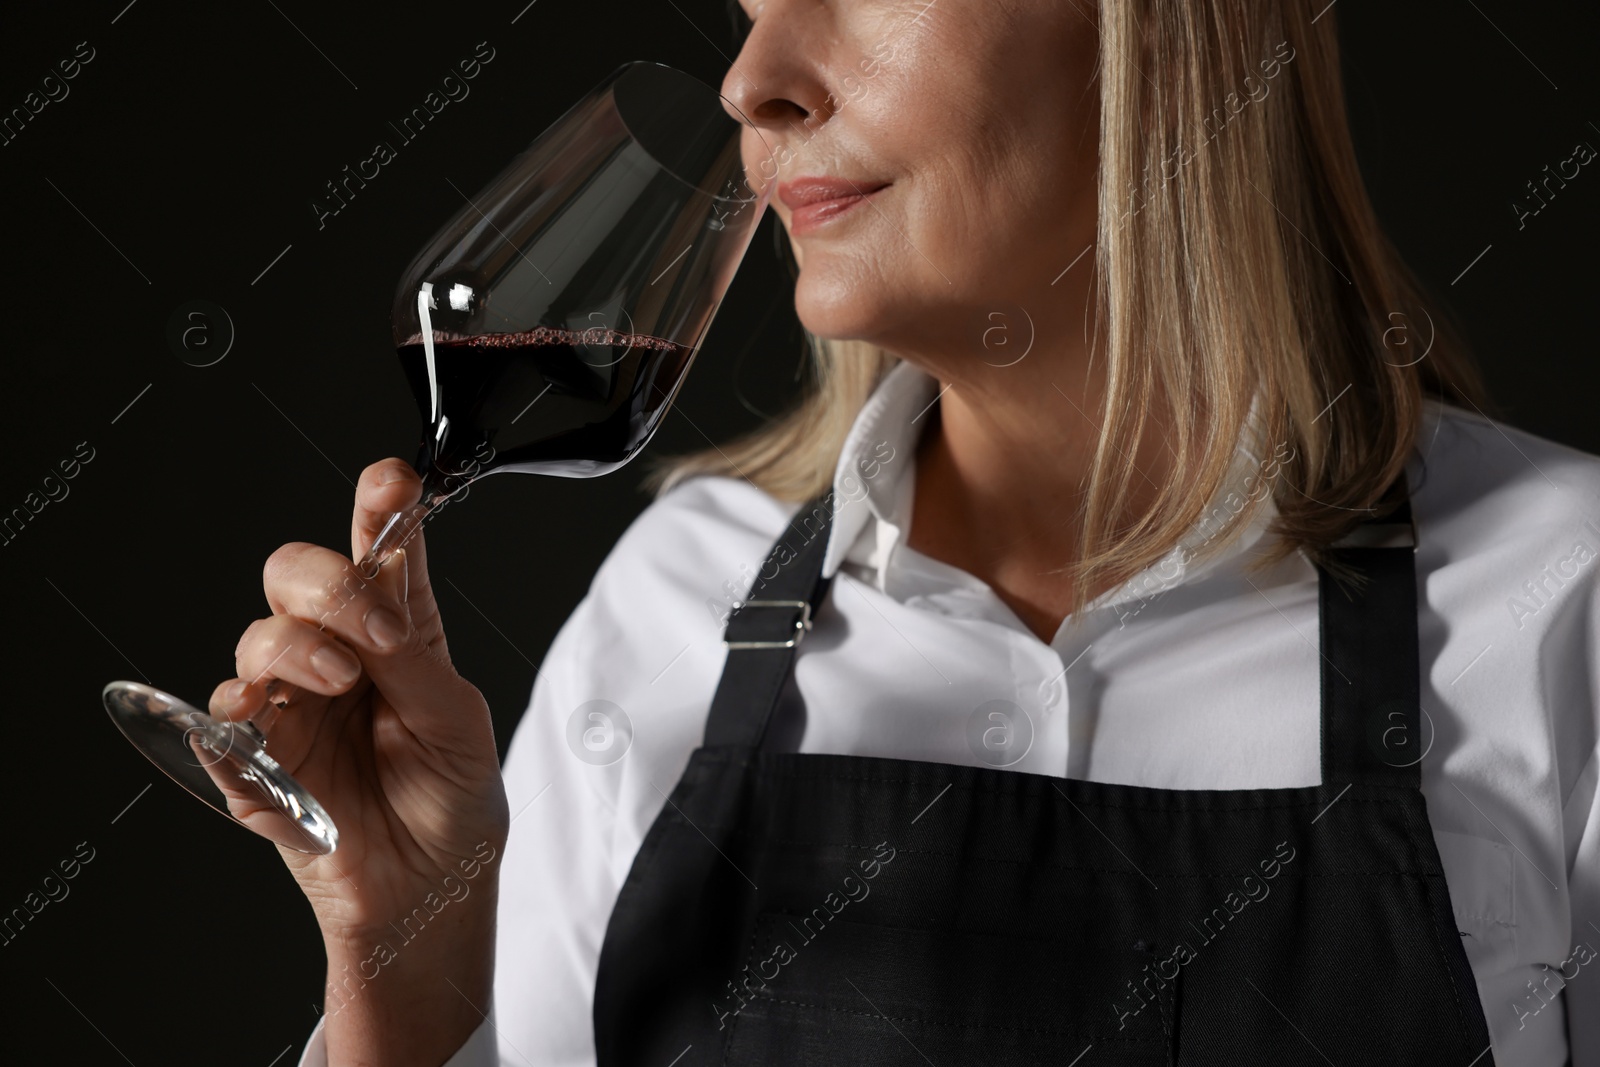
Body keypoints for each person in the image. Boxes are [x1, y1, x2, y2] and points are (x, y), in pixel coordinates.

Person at [209, 1, 1597, 1064]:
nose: (755, 84)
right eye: (750, 6)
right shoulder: (673, 605)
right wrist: (402, 960)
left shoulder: (1565, 600)